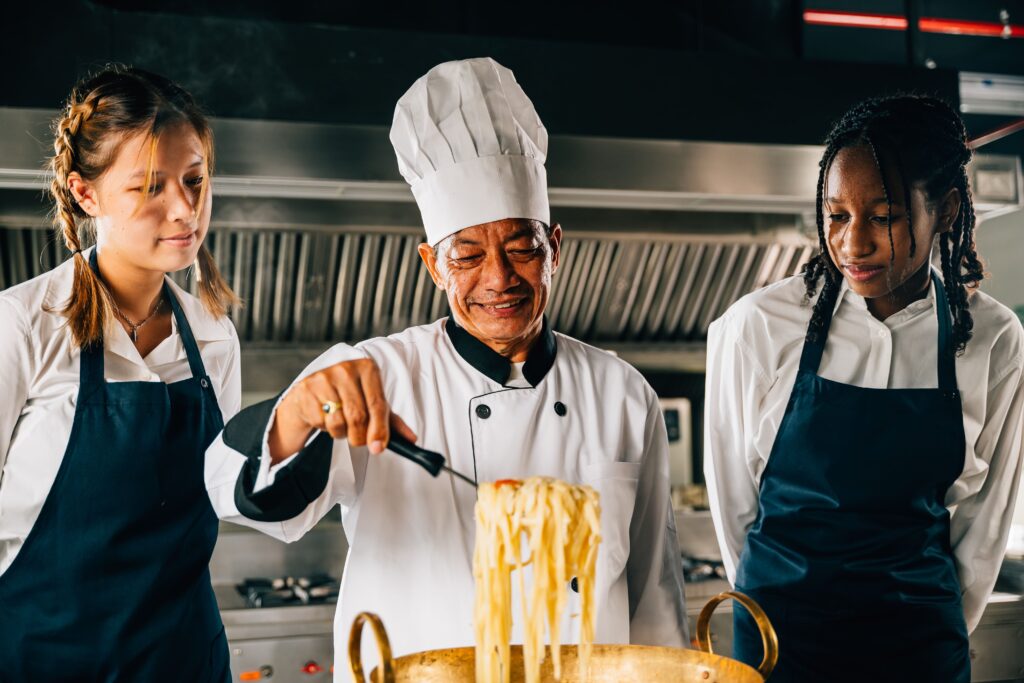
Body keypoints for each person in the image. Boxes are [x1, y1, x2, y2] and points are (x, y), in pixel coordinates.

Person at [206, 57, 688, 676]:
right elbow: (233, 491)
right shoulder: (374, 376)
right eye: (467, 256)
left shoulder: (622, 394)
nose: (499, 279)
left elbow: (654, 596)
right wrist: (296, 413)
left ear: (556, 248)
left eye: (522, 248)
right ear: (432, 265)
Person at [704, 94, 1024, 682]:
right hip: (781, 645)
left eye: (883, 217)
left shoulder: (994, 338)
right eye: (836, 215)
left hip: (918, 649)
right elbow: (733, 510)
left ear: (947, 211)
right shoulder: (756, 327)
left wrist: (926, 633)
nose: (853, 243)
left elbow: (984, 525)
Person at [0, 65, 241, 682]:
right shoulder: (23, 326)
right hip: (46, 662)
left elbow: (225, 495)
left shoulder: (213, 337)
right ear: (86, 194)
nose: (184, 209)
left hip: (184, 662)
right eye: (149, 188)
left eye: (195, 180)